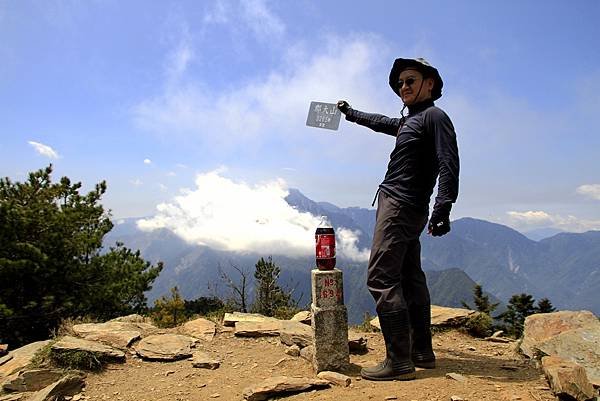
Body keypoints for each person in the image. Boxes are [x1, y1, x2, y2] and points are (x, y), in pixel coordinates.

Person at [337, 57, 459, 381]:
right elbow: (379, 121)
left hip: (400, 208)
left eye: (410, 80)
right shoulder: (411, 122)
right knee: (410, 277)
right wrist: (350, 113)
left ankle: (399, 361)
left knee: (380, 278)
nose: (403, 87)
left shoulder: (435, 117)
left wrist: (443, 207)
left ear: (429, 83)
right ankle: (422, 352)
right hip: (406, 208)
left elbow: (449, 163)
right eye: (401, 83)